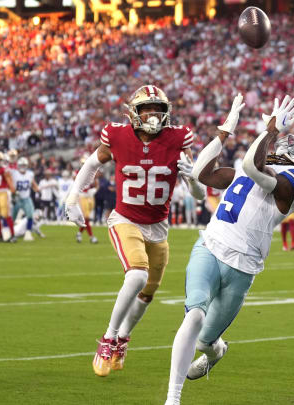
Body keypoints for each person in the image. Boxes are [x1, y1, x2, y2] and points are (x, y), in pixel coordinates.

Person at [164, 95, 294, 405]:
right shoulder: (266, 164)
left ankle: (217, 349)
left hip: (242, 268)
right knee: (193, 318)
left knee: (205, 340)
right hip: (210, 246)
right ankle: (173, 399)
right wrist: (224, 131)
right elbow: (201, 174)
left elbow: (250, 165)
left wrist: (270, 130)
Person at [64, 85, 205, 378]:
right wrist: (73, 196)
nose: (153, 115)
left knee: (148, 292)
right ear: (134, 113)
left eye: (158, 109)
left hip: (159, 226)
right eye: (147, 109)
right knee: (137, 274)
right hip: (125, 218)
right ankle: (108, 337)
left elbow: (201, 196)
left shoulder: (178, 139)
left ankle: (123, 338)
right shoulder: (116, 135)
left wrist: (193, 180)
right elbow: (91, 165)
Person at [11, 157, 39, 242]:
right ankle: (9, 232)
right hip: (16, 198)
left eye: (24, 165)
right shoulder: (14, 173)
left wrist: (37, 189)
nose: (23, 166)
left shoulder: (30, 174)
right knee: (12, 217)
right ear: (18, 165)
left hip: (26, 198)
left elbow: (33, 184)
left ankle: (28, 233)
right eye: (21, 165)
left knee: (30, 215)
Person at [75, 156, 99, 244]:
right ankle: (92, 237)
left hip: (90, 196)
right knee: (87, 217)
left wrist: (94, 190)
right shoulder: (77, 173)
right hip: (82, 196)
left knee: (87, 218)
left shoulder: (92, 172)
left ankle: (79, 233)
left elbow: (96, 183)